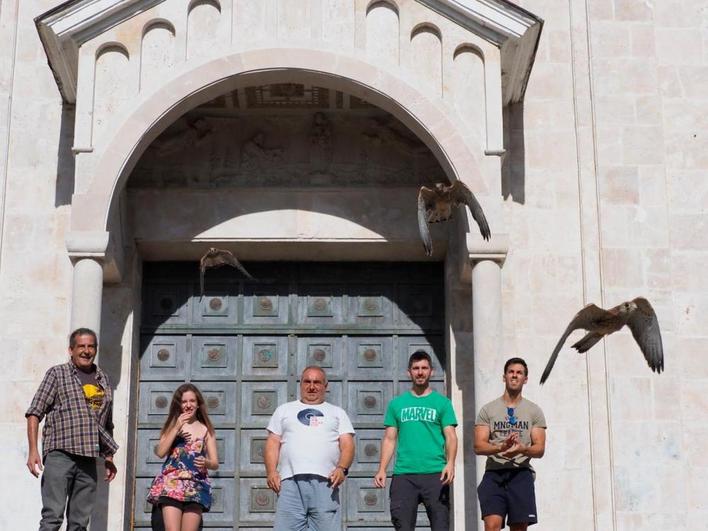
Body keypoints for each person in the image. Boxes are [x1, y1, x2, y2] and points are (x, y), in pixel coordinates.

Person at [25, 327, 119, 531]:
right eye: (81, 346)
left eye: (91, 346)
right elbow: (34, 412)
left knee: (79, 524)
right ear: (71, 350)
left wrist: (109, 457)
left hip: (88, 458)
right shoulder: (58, 374)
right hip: (61, 454)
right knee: (52, 518)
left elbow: (107, 424)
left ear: (95, 349)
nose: (86, 351)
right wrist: (33, 451)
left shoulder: (104, 379)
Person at [374, 350, 458, 531]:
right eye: (416, 368)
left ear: (431, 372)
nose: (420, 372)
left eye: (424, 368)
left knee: (441, 526)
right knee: (402, 526)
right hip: (404, 475)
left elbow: (451, 436)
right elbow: (389, 438)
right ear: (409, 372)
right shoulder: (397, 404)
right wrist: (382, 469)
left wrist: (450, 463)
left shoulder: (442, 403)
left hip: (436, 474)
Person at [265, 366, 355, 531]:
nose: (312, 387)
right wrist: (271, 472)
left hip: (326, 483)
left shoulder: (337, 412)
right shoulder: (284, 410)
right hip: (290, 482)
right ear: (300, 384)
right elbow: (273, 442)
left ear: (325, 386)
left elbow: (347, 444)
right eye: (307, 382)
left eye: (317, 382)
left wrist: (342, 468)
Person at [474, 358, 547, 531]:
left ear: (525, 379)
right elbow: (478, 446)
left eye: (519, 372)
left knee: (519, 527)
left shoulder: (534, 411)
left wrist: (523, 449)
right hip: (494, 473)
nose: (514, 376)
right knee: (492, 526)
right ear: (504, 377)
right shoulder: (488, 410)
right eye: (511, 372)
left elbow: (540, 448)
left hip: (521, 474)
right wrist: (500, 447)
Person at [147, 383, 218, 531]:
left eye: (192, 401)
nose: (188, 405)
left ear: (198, 404)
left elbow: (215, 463)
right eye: (184, 401)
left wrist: (206, 462)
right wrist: (176, 427)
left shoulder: (206, 430)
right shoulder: (172, 426)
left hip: (196, 485)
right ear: (179, 405)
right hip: (172, 484)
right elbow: (160, 452)